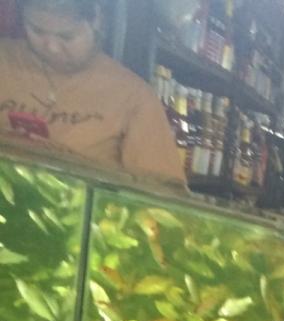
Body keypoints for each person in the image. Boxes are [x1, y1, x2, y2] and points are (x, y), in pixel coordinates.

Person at [0, 0, 185, 183]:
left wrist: (71, 163)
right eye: (37, 31)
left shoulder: (133, 95)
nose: (51, 47)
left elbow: (163, 190)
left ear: (96, 20)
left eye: (66, 36)